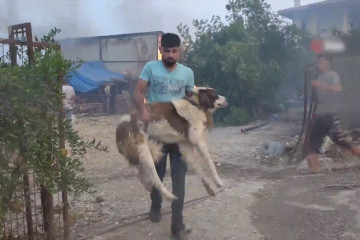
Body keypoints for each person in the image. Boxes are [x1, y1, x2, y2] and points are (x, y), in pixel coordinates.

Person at [133, 33, 194, 239]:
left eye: (174, 51)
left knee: (179, 178)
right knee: (157, 174)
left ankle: (177, 223)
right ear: (161, 50)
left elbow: (191, 98)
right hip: (157, 132)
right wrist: (143, 112)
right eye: (166, 51)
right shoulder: (150, 67)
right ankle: (156, 205)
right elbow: (139, 91)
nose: (170, 54)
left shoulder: (187, 73)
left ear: (179, 51)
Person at [307, 54, 360, 173]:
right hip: (320, 115)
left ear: (327, 62)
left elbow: (337, 89)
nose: (319, 64)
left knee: (340, 140)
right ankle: (313, 172)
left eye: (321, 61)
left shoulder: (332, 75)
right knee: (311, 143)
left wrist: (320, 85)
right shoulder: (319, 76)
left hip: (330, 114)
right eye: (317, 62)